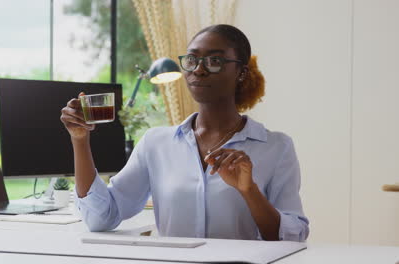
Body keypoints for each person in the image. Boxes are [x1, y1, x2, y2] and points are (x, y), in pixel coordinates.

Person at [60, 24, 309, 241]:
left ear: (241, 73)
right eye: (192, 60)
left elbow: (292, 235)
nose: (199, 69)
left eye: (214, 61)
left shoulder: (276, 147)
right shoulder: (155, 144)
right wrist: (80, 141)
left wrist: (249, 191)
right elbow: (102, 217)